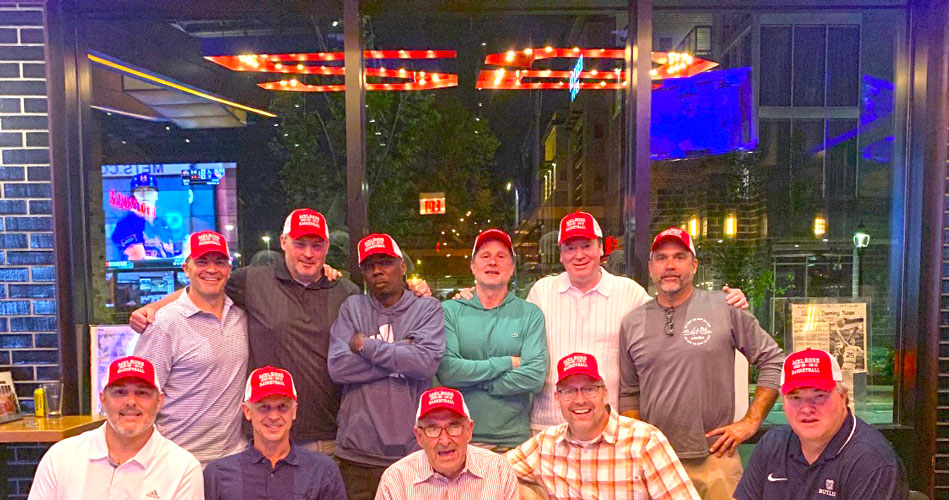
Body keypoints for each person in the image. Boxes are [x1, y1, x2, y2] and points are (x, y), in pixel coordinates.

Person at [131, 208, 360, 454]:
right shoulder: (255, 281)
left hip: (328, 438)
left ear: (326, 247)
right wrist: (154, 307)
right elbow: (205, 285)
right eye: (299, 244)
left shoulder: (345, 291)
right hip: (262, 439)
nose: (308, 253)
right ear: (283, 242)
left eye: (316, 246)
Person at [523, 211, 748, 432]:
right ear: (561, 254)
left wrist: (720, 303)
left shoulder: (629, 292)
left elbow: (673, 313)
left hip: (611, 429)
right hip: (549, 425)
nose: (579, 255)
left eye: (586, 245)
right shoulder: (541, 292)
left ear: (601, 248)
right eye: (570, 248)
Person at [619, 227, 785, 500]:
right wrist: (639, 447)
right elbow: (629, 393)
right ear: (650, 268)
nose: (670, 265)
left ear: (694, 265)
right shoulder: (632, 323)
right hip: (655, 464)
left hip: (716, 460)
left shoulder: (725, 307)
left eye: (679, 257)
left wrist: (751, 422)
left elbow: (773, 359)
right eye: (661, 258)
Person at [328, 233, 446, 500]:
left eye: (385, 262)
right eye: (369, 266)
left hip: (414, 451)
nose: (377, 270)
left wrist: (366, 347)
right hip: (357, 453)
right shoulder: (352, 307)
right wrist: (403, 352)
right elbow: (338, 367)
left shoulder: (427, 309)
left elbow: (426, 363)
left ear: (402, 266)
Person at [506, 352, 700, 500]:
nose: (580, 400)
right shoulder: (545, 444)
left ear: (605, 393)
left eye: (589, 389)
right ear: (557, 398)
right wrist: (525, 493)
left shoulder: (645, 441)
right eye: (569, 391)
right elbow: (494, 470)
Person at [132, 230, 248, 466]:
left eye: (219, 262)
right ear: (186, 268)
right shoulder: (164, 324)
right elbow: (139, 395)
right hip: (178, 462)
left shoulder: (241, 317)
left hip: (234, 459)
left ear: (229, 269)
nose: (211, 269)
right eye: (202, 262)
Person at [733, 348, 909, 500]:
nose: (806, 408)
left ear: (843, 397)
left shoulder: (871, 461)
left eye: (819, 396)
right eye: (795, 398)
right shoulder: (772, 444)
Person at [28, 356, 202, 500]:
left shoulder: (183, 469)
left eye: (142, 393)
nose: (131, 402)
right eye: (120, 392)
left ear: (159, 401)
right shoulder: (60, 457)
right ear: (103, 400)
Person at [437, 228, 548, 451]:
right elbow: (448, 372)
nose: (493, 262)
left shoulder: (530, 314)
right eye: (485, 256)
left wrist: (476, 382)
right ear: (472, 266)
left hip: (514, 442)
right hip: (458, 439)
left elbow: (534, 377)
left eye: (501, 256)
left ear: (512, 267)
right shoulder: (449, 311)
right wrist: (508, 362)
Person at [204, 366, 346, 500]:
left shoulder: (323, 470)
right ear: (247, 411)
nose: (273, 416)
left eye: (282, 406)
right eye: (264, 407)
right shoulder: (218, 474)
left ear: (294, 411)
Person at [375, 387, 519, 499]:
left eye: (454, 427)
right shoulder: (396, 480)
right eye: (432, 429)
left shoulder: (499, 470)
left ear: (469, 430)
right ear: (419, 436)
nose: (444, 441)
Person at [111, 172, 176, 260]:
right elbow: (138, 259)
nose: (144, 195)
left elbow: (173, 255)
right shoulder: (125, 223)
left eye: (149, 190)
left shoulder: (162, 224)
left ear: (156, 195)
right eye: (139, 191)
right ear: (133, 196)